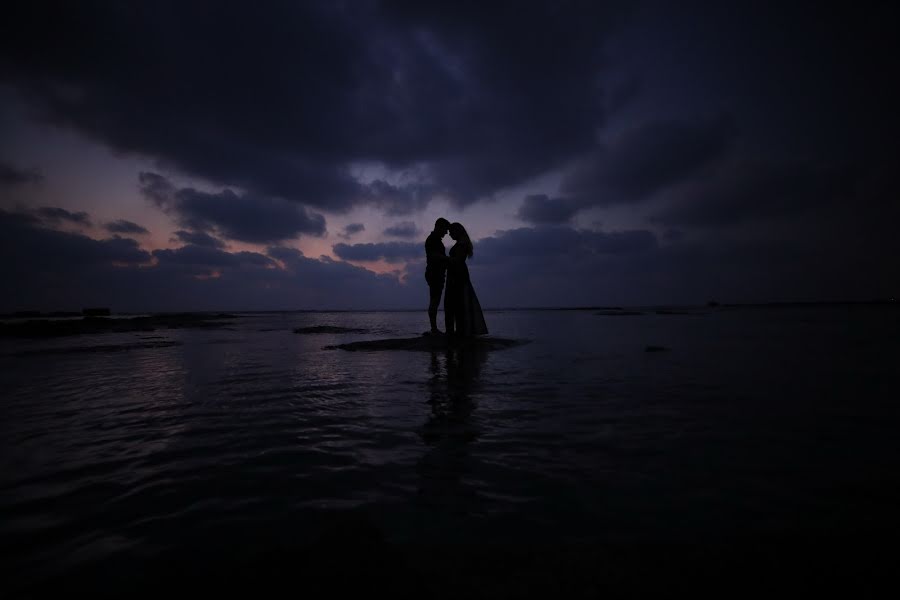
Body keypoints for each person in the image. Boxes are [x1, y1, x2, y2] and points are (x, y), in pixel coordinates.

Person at [444, 222, 488, 337]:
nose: (449, 235)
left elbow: (457, 261)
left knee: (456, 304)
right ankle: (459, 331)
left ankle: (458, 331)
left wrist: (443, 259)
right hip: (457, 274)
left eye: (451, 232)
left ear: (457, 231)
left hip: (457, 275)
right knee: (458, 303)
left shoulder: (461, 244)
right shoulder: (461, 244)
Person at [424, 218, 450, 334]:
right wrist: (449, 260)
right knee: (435, 300)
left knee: (435, 300)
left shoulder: (435, 240)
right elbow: (433, 255)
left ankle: (433, 328)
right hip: (434, 273)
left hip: (435, 273)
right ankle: (433, 328)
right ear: (438, 226)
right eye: (445, 229)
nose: (446, 233)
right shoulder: (432, 239)